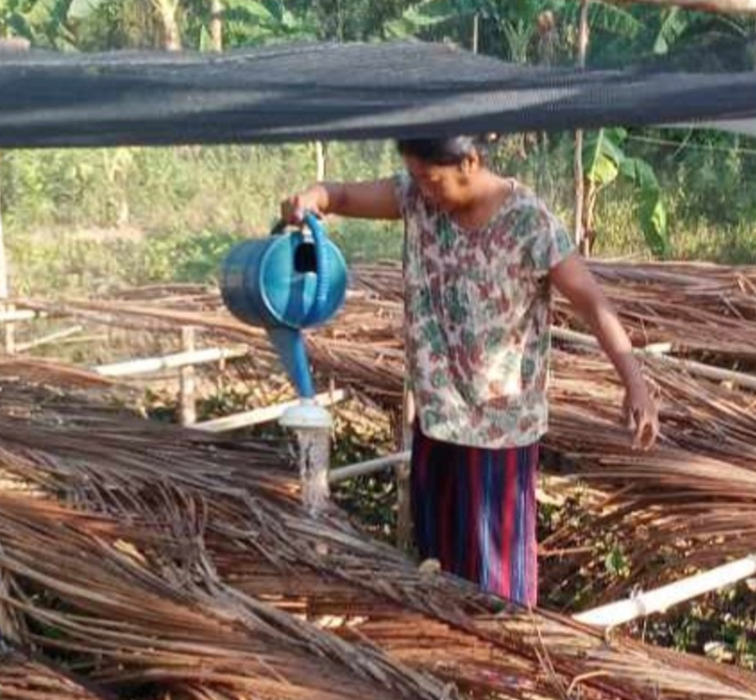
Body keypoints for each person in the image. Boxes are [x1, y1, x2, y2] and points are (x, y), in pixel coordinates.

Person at [282, 135, 659, 607]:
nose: (423, 190)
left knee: (496, 584)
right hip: (439, 419)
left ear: (470, 161)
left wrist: (635, 383)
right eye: (415, 177)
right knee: (437, 565)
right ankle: (447, 664)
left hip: (499, 432)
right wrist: (314, 197)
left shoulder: (529, 222)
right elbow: (340, 196)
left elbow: (591, 301)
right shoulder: (417, 197)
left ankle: (502, 671)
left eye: (431, 179)